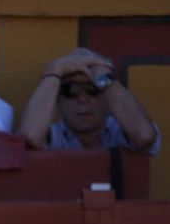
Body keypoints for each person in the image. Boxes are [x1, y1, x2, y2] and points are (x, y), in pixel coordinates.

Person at [16, 48, 160, 154]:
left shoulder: (120, 132)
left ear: (108, 98)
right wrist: (55, 69)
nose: (83, 99)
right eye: (71, 90)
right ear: (58, 100)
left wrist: (103, 74)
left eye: (93, 89)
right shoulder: (53, 137)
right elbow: (30, 136)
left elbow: (144, 136)